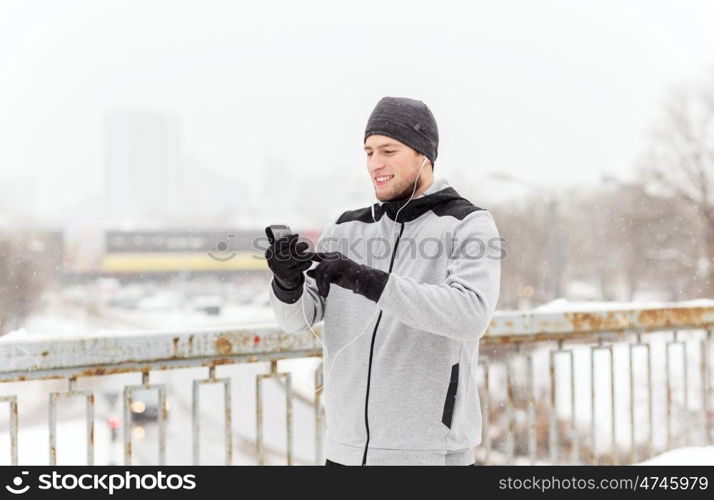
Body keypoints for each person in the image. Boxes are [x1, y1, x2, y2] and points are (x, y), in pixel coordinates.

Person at [266, 96, 501, 466]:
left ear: (424, 154)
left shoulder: (468, 224)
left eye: (388, 150)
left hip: (429, 457)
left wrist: (366, 280)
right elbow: (296, 320)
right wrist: (287, 283)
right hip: (344, 454)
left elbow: (470, 314)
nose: (375, 164)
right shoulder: (346, 227)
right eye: (369, 152)